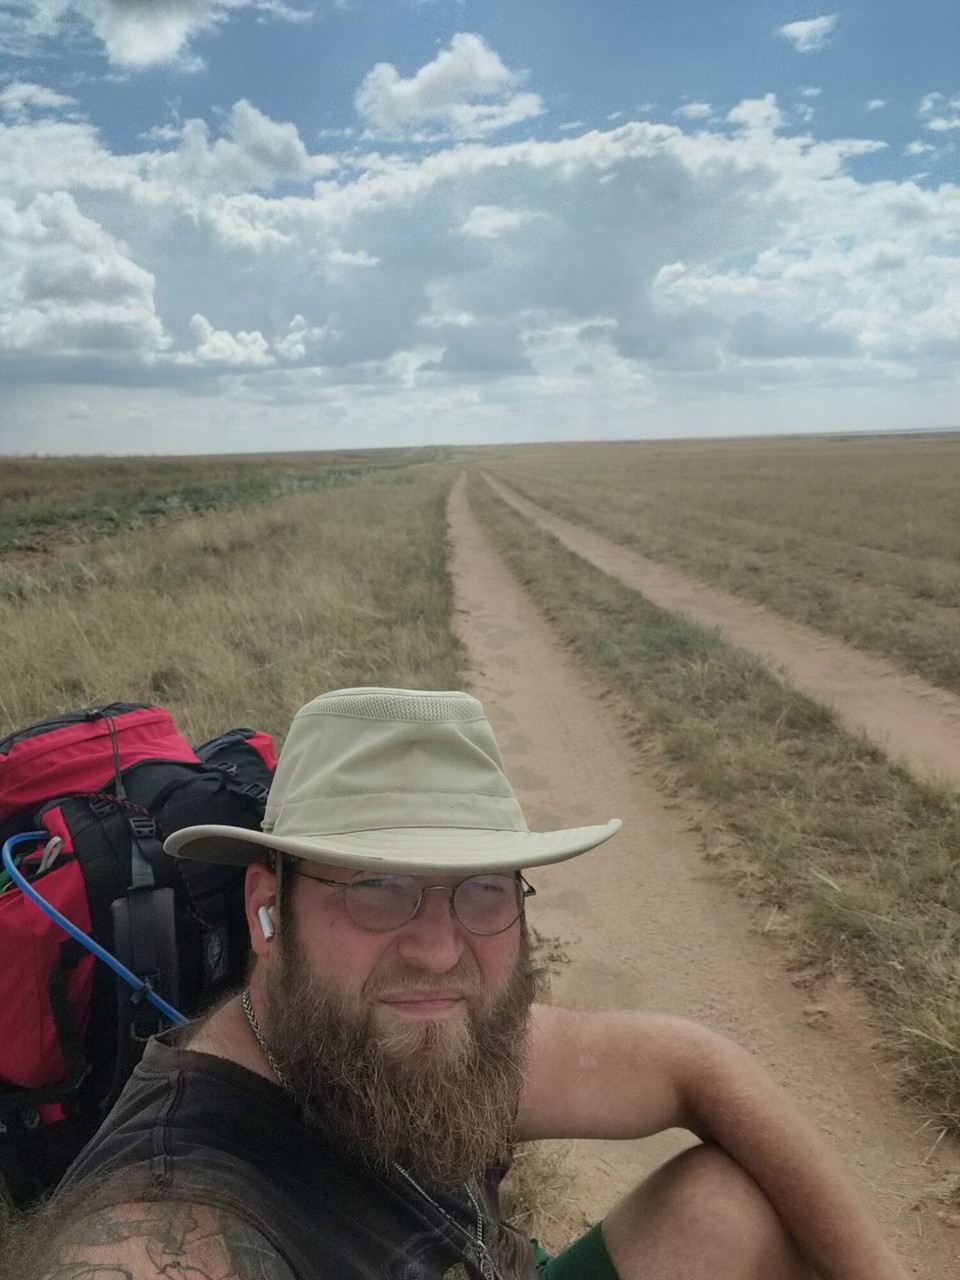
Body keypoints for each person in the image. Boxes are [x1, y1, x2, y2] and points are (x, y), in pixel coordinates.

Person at [8, 687, 908, 1280]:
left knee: (727, 1205)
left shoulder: (406, 1030)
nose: (439, 950)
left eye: (482, 890)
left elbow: (695, 1062)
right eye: (377, 888)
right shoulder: (175, 1217)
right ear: (264, 912)